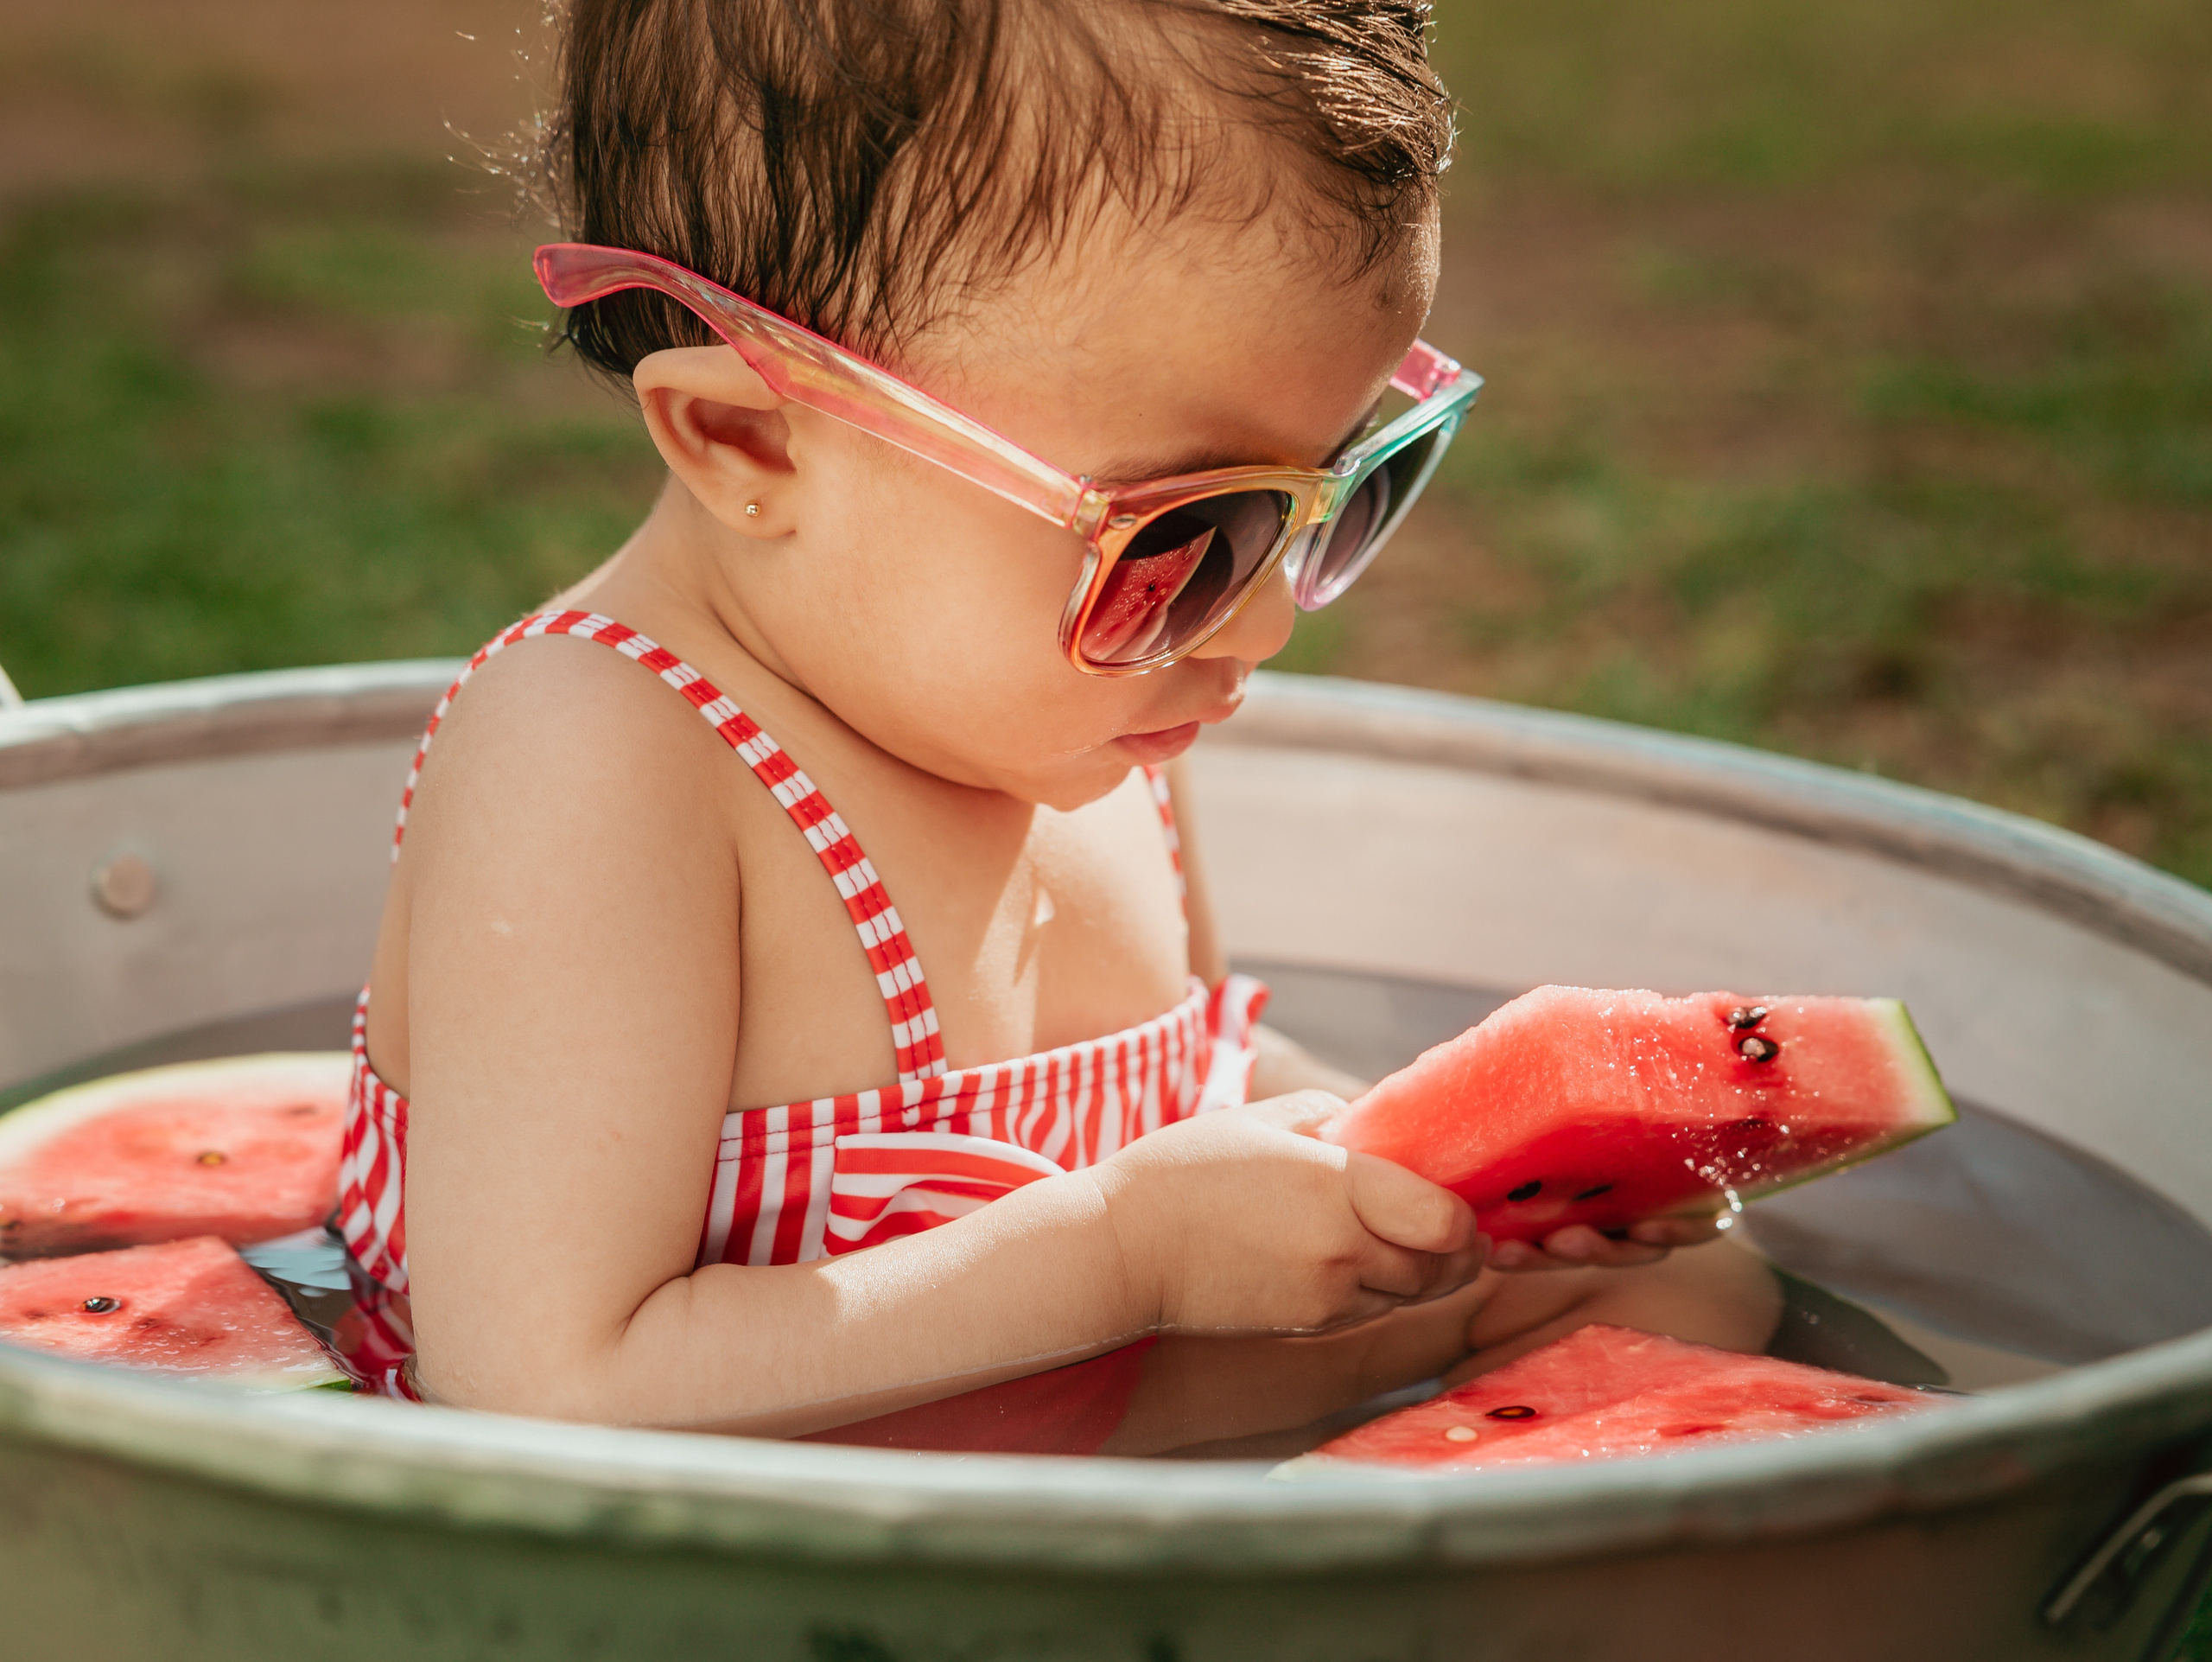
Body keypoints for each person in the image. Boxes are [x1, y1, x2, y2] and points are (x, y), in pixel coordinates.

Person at [340, 0, 1779, 1454]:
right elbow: (544, 1384)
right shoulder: (603, 757)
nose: (1265, 622)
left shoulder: (1085, 719)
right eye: (1186, 537)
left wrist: (1430, 1192)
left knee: (1710, 1287)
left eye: (1331, 495)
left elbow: (1204, 1076)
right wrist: (1116, 1254)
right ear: (750, 442)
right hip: (807, 1550)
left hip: (1180, 1478)